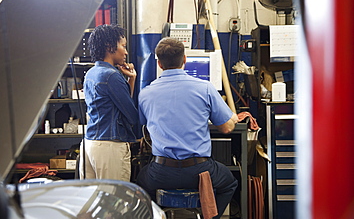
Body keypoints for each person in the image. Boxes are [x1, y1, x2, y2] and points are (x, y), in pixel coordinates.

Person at [136, 37, 239, 218]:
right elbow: (226, 128)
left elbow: (144, 123)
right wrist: (232, 118)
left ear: (159, 64)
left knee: (139, 183)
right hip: (199, 172)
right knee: (230, 183)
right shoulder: (205, 88)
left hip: (161, 172)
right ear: (185, 59)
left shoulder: (145, 93)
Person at [79, 24, 139, 181]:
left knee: (92, 199)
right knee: (114, 199)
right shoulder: (111, 76)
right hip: (109, 147)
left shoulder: (92, 73)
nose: (125, 52)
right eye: (123, 46)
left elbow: (117, 105)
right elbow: (131, 116)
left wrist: (131, 80)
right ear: (109, 46)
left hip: (90, 144)